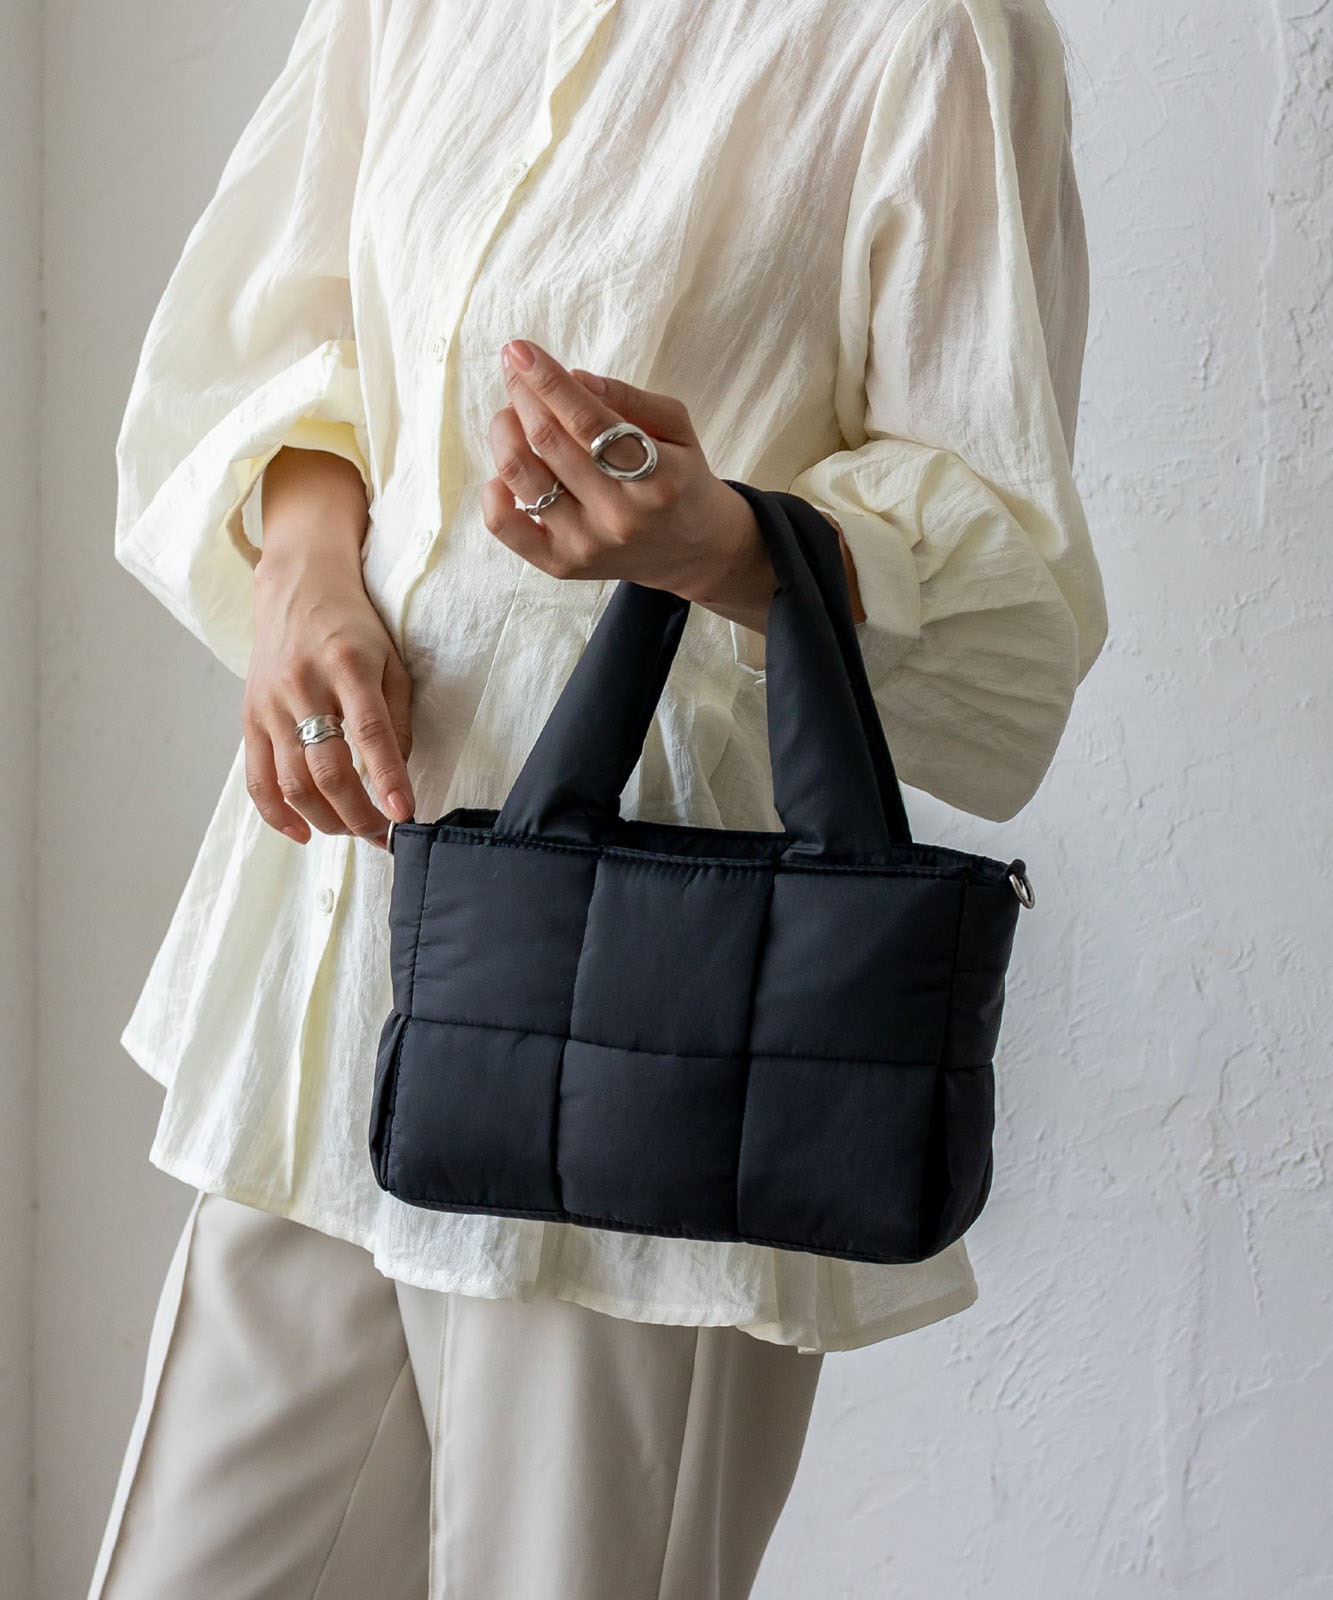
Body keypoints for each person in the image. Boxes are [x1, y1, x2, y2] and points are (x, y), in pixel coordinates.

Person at [89, 0, 1109, 1595]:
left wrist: (723, 543)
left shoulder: (923, 35)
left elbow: (1003, 563)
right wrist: (301, 572)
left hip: (659, 1012)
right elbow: (283, 328)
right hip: (339, 936)